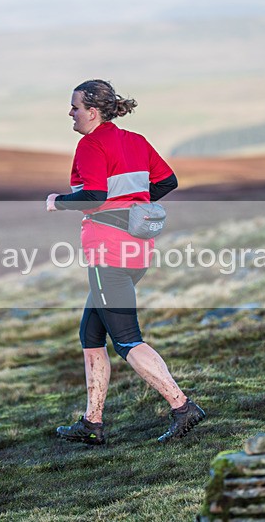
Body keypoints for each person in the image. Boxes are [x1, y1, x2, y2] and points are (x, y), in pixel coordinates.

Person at [45, 79, 206, 445]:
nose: (70, 113)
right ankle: (92, 422)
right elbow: (168, 181)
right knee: (90, 334)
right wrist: (134, 206)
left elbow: (93, 196)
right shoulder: (135, 140)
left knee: (127, 341)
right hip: (136, 251)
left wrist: (58, 202)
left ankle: (182, 407)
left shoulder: (90, 145)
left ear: (92, 112)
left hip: (109, 254)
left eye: (75, 107)